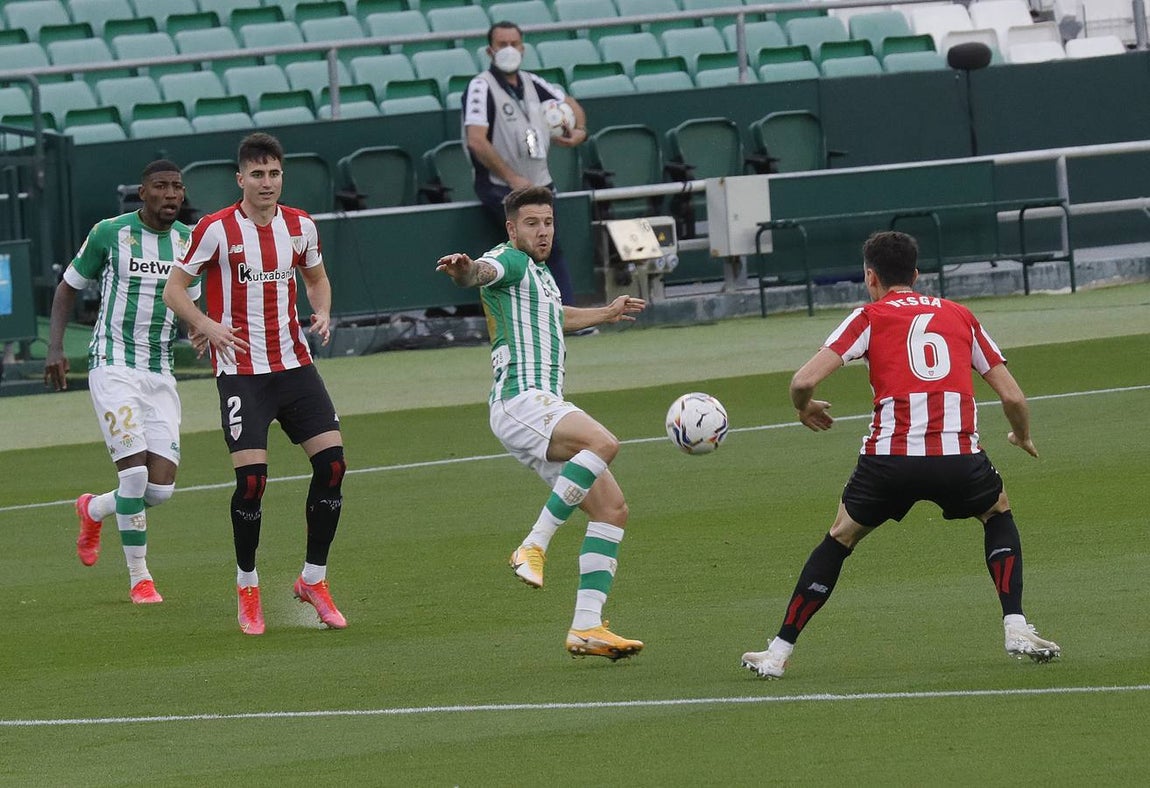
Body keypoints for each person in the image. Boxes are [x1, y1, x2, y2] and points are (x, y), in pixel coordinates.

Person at [741, 231, 1061, 679]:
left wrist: (803, 408)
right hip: (957, 458)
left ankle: (777, 652)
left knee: (840, 537)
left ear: (870, 276)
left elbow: (802, 381)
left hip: (888, 461)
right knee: (997, 512)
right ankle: (1015, 625)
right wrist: (1020, 435)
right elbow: (1014, 398)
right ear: (916, 274)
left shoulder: (867, 316)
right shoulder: (961, 316)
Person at [436, 186, 647, 660]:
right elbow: (479, 272)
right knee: (603, 442)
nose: (543, 231)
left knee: (612, 510)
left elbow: (554, 317)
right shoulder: (507, 260)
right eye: (532, 223)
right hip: (520, 400)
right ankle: (532, 545)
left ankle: (587, 628)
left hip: (539, 406)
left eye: (548, 222)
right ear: (512, 228)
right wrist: (465, 270)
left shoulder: (540, 275)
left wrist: (606, 314)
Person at [162, 132, 348, 636]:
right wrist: (205, 325)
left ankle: (313, 579)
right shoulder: (215, 229)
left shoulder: (301, 226)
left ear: (281, 177)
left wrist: (323, 311)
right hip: (242, 373)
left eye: (274, 174)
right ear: (240, 178)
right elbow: (174, 290)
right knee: (252, 482)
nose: (267, 183)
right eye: (257, 174)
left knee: (332, 466)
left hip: (294, 365)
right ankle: (247, 586)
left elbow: (316, 279)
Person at [44, 159, 196, 605]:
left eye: (177, 188)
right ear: (143, 192)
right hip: (112, 363)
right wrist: (55, 349)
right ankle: (140, 578)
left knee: (160, 489)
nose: (172, 195)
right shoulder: (111, 233)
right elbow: (67, 287)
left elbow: (190, 305)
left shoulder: (190, 242)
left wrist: (203, 332)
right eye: (162, 187)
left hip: (160, 370)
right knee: (133, 477)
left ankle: (93, 509)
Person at [462, 20, 588, 307]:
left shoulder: (534, 82)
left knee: (549, 246)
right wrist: (511, 177)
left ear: (523, 48)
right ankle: (552, 312)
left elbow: (571, 105)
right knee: (528, 248)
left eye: (513, 44)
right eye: (502, 44)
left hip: (540, 182)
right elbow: (476, 140)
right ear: (490, 50)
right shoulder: (481, 87)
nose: (509, 49)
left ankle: (562, 311)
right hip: (501, 186)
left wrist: (579, 131)